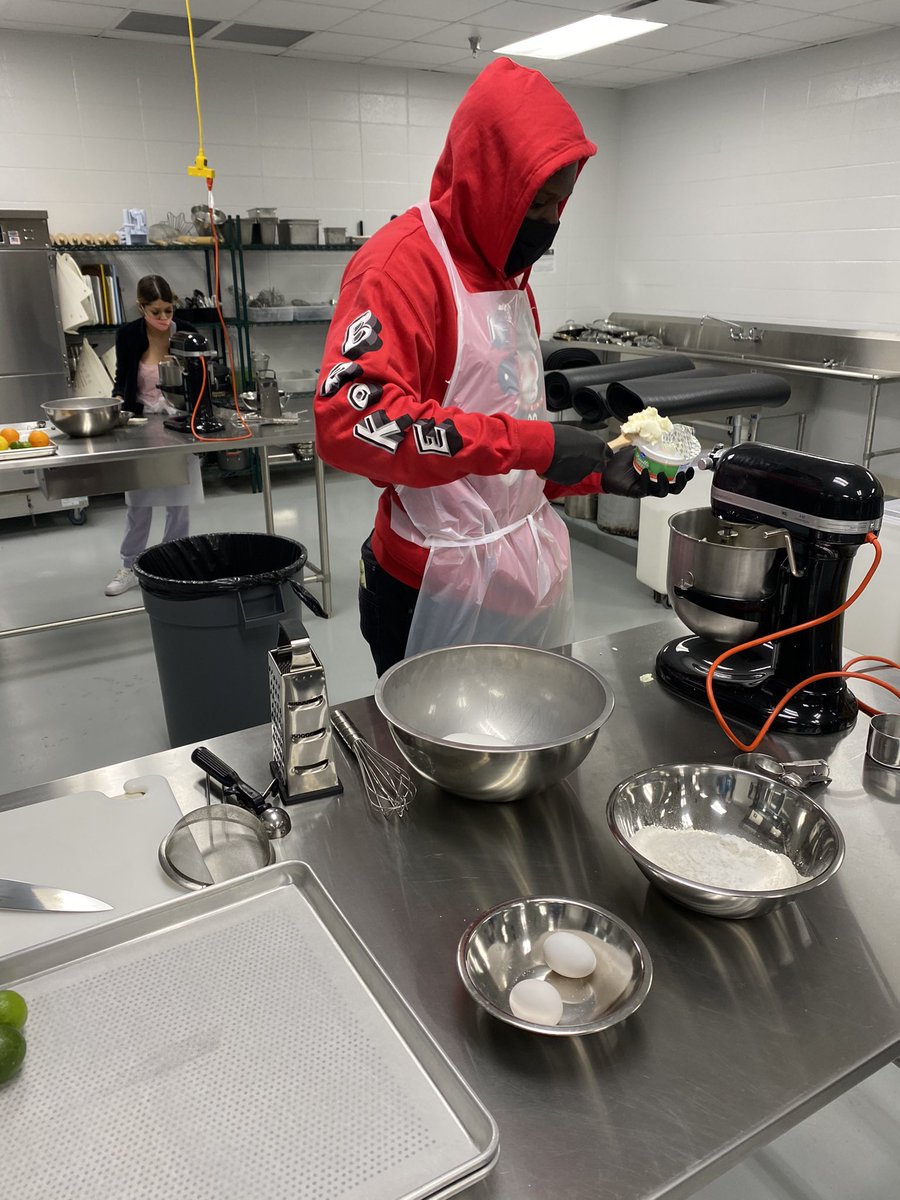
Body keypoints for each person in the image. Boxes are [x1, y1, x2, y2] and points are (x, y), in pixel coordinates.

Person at [314, 58, 689, 675]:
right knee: (433, 760)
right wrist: (538, 445)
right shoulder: (402, 267)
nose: (547, 224)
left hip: (524, 577)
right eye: (535, 202)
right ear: (485, 182)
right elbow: (351, 423)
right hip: (432, 583)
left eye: (559, 204)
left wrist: (597, 472)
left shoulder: (511, 280)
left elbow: (504, 454)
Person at [104, 275, 203, 596]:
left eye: (168, 311)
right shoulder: (129, 335)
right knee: (139, 502)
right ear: (141, 307)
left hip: (178, 424)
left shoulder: (187, 333)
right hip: (140, 426)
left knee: (179, 502)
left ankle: (173, 564)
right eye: (156, 312)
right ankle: (130, 565)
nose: (163, 319)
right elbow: (123, 380)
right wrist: (119, 401)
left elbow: (202, 379)